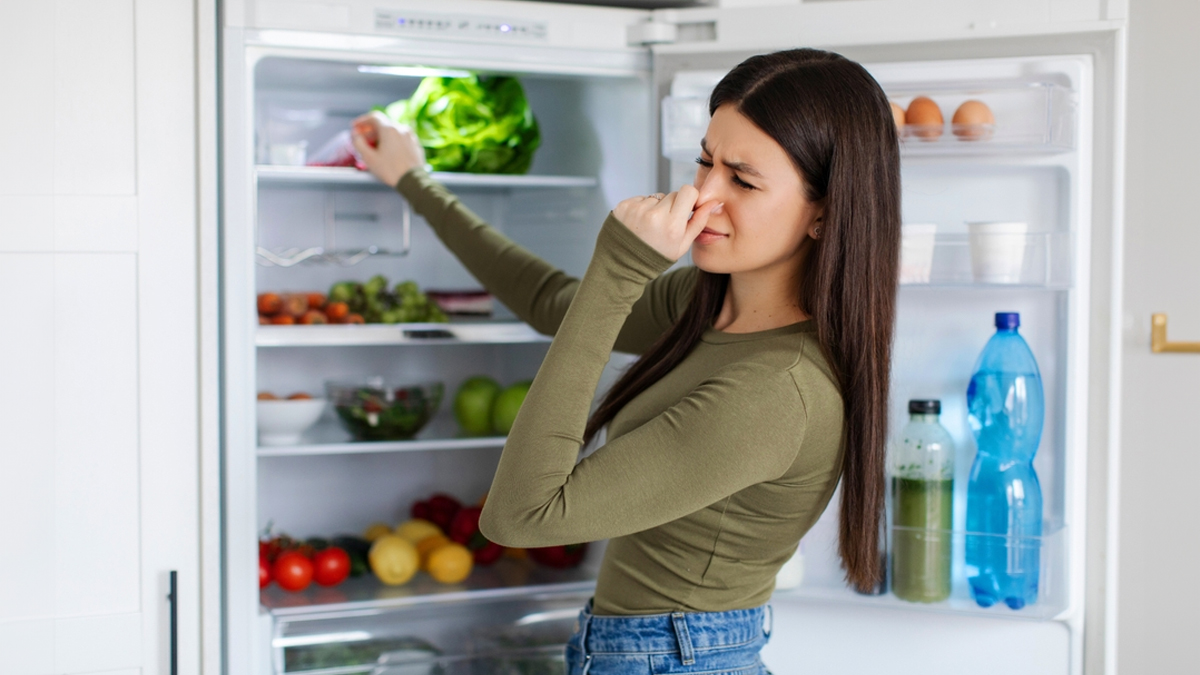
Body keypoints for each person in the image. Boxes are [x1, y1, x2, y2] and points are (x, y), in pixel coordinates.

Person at [352, 48, 899, 675]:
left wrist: (619, 267)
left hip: (676, 659)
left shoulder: (777, 391)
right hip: (649, 651)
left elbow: (520, 516)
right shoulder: (706, 299)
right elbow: (553, 303)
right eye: (704, 161)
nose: (703, 194)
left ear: (824, 213)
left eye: (742, 180)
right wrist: (414, 182)